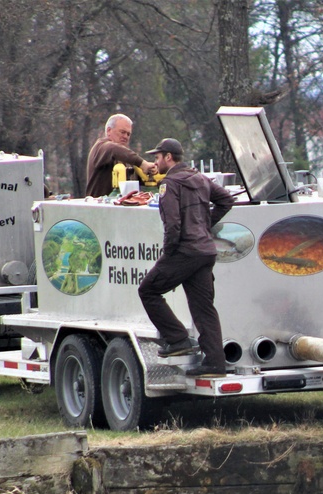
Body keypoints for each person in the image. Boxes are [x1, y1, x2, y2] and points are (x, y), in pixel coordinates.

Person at [137, 138, 236, 375]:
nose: (155, 162)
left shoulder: (170, 184)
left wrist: (168, 254)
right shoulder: (200, 178)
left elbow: (172, 226)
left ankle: (178, 340)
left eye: (157, 157)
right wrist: (204, 226)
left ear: (169, 157)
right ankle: (215, 363)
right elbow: (226, 200)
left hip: (184, 251)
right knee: (204, 309)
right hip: (205, 252)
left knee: (148, 290)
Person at [85, 114, 157, 198]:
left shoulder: (126, 157)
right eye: (122, 132)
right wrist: (142, 163)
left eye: (128, 134)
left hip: (122, 207)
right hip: (100, 208)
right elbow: (113, 149)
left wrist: (150, 172)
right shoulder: (101, 147)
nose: (125, 137)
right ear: (109, 131)